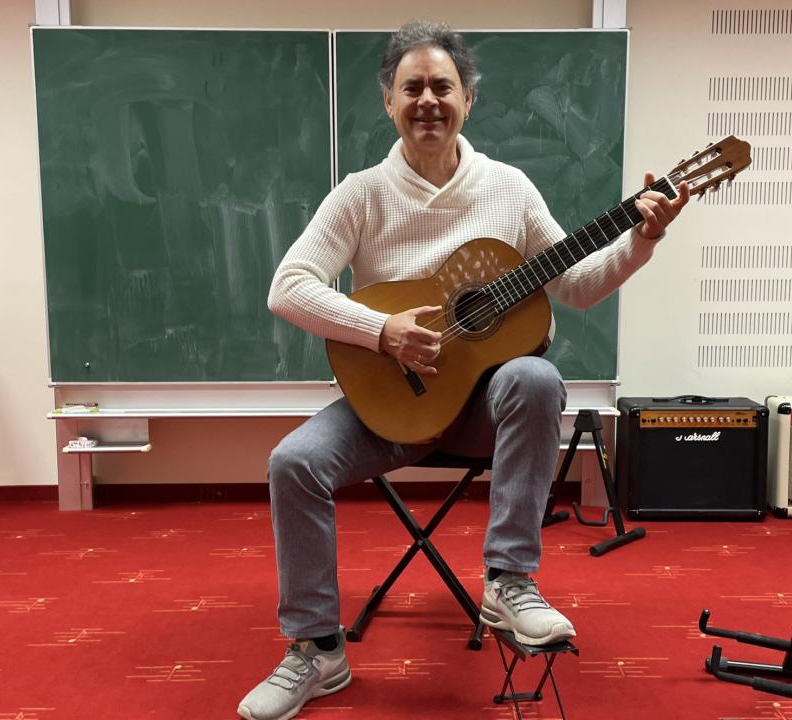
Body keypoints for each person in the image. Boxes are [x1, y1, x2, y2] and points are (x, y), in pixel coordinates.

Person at [238, 19, 689, 720]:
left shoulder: (509, 189)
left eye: (442, 87)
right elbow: (287, 287)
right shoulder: (360, 194)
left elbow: (574, 285)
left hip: (481, 413)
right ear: (388, 100)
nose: (428, 100)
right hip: (391, 410)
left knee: (535, 378)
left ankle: (509, 582)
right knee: (292, 463)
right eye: (412, 87)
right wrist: (381, 330)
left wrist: (642, 238)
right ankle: (317, 649)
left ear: (468, 99)